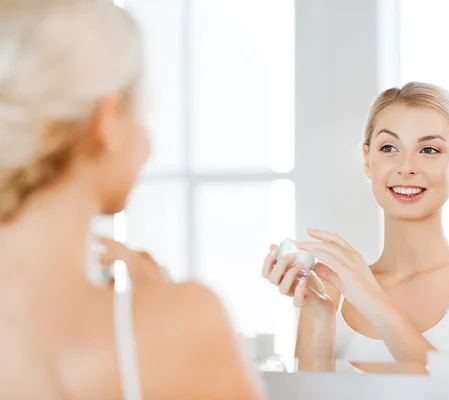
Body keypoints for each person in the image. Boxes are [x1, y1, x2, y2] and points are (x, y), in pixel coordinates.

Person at [0, 0, 263, 398]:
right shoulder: (181, 326)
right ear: (106, 121)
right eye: (141, 109)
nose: (147, 142)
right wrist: (159, 304)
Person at [262, 82, 449, 374]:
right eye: (389, 147)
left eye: (429, 149)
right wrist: (318, 314)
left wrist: (374, 302)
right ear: (367, 159)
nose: (406, 167)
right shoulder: (333, 292)